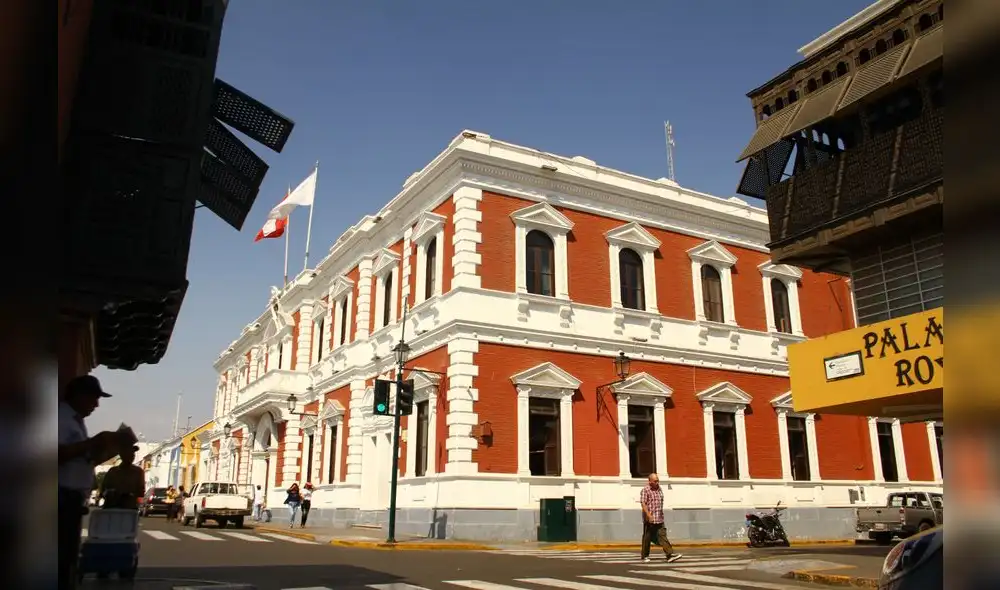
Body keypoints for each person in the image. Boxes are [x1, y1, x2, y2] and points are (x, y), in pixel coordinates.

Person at [58, 375, 133, 589]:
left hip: (71, 499)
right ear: (79, 396)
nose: (96, 405)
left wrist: (106, 449)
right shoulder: (61, 419)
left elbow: (80, 458)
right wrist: (94, 442)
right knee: (60, 556)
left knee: (67, 556)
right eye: (94, 398)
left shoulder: (76, 421)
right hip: (59, 496)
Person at [640, 473, 682, 563]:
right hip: (650, 519)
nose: (657, 483)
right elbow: (643, 504)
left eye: (658, 481)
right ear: (650, 481)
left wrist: (661, 515)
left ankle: (669, 555)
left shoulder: (659, 489)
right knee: (647, 537)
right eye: (655, 481)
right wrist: (648, 515)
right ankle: (645, 556)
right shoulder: (645, 490)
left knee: (663, 536)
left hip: (659, 518)